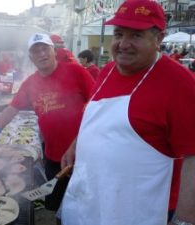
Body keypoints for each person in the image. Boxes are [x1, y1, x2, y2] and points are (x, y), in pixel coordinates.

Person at [59, 1, 195, 225]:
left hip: (138, 209)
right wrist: (76, 144)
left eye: (136, 36)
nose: (123, 44)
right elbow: (96, 119)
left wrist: (185, 219)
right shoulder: (108, 70)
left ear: (158, 39)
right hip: (91, 197)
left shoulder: (181, 84)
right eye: (119, 34)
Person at [0, 33, 94, 221]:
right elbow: (11, 110)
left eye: (45, 49)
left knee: (84, 207)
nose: (41, 54)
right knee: (58, 207)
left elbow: (98, 104)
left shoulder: (76, 72)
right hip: (53, 157)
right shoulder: (30, 84)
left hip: (84, 153)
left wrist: (81, 141)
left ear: (54, 51)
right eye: (36, 51)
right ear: (31, 58)